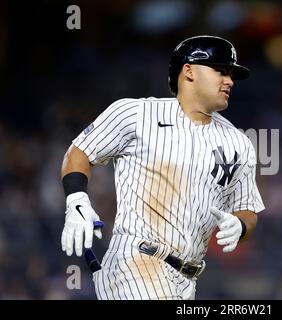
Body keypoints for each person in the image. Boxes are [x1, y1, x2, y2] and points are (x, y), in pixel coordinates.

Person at [60, 35, 265, 300]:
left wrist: (240, 226)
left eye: (231, 74)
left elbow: (247, 210)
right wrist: (76, 201)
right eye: (221, 71)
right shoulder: (136, 114)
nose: (229, 81)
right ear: (189, 71)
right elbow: (79, 153)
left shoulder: (239, 143)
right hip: (136, 263)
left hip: (187, 279)